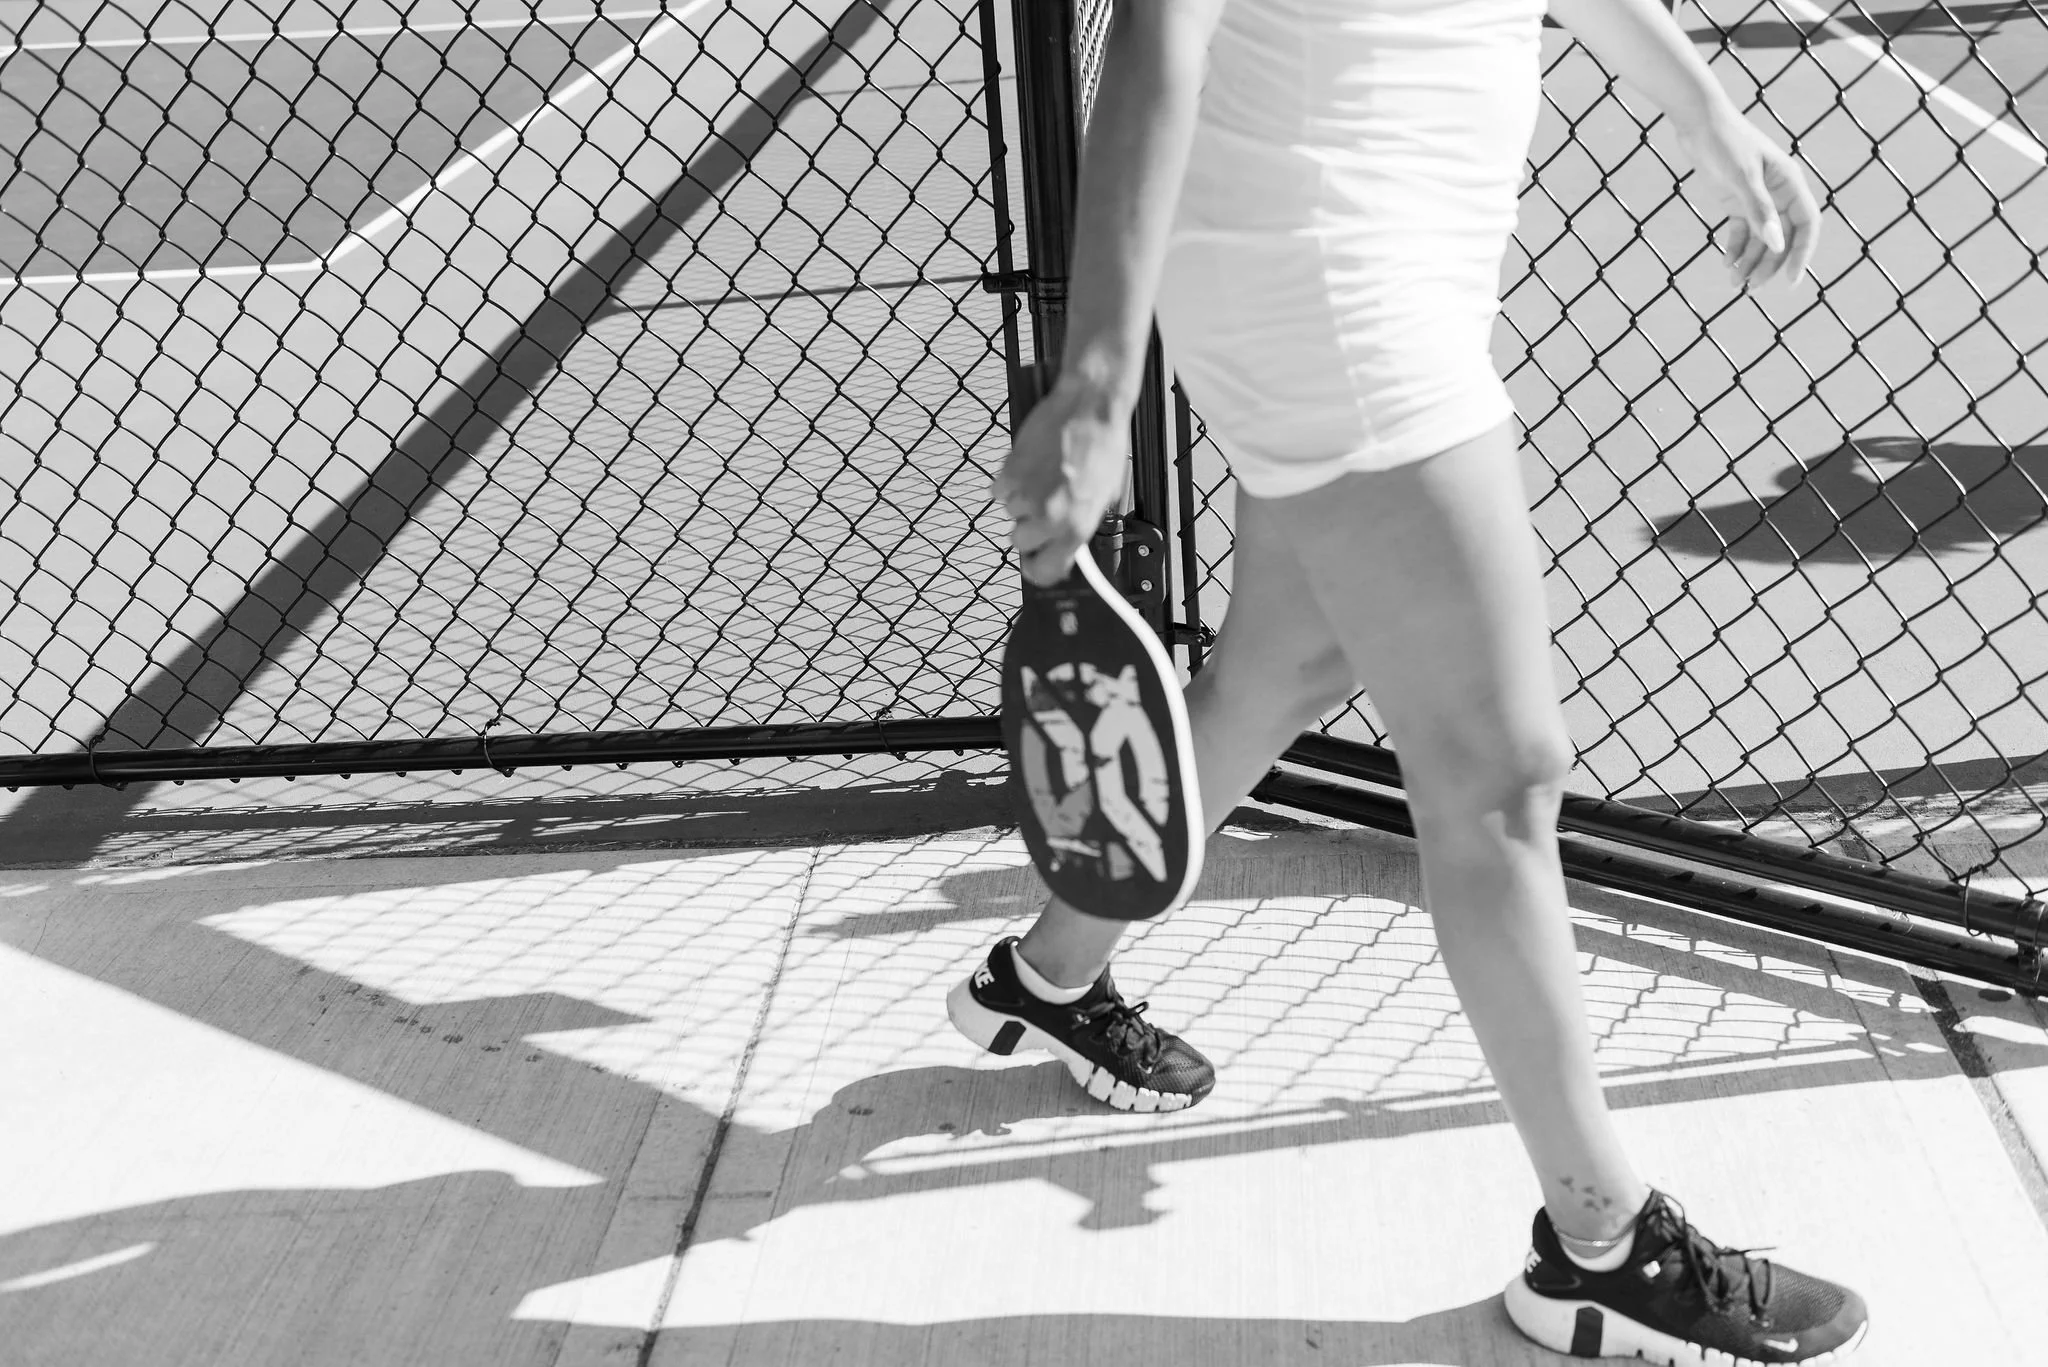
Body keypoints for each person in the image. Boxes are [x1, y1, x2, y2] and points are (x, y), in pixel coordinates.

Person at [949, 0, 1870, 1361]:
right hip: (1331, 278)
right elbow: (1158, 31)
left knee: (1286, 664)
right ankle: (1601, 1246)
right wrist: (1093, 386)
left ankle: (1047, 973)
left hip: (1384, 257)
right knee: (1497, 775)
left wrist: (1713, 120)